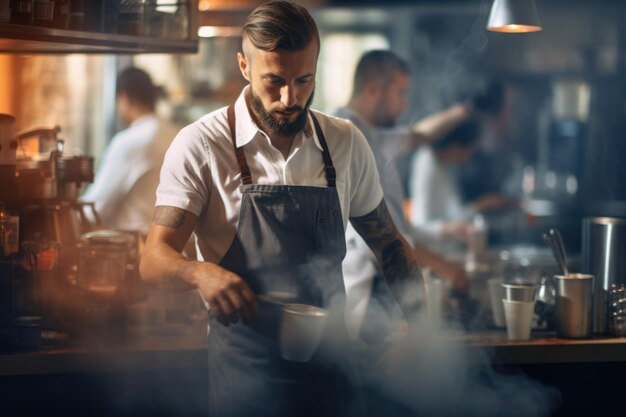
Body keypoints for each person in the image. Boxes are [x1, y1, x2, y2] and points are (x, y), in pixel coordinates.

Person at [139, 2, 424, 417]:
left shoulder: (345, 142)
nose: (291, 98)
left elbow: (390, 246)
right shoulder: (201, 144)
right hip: (246, 378)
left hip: (334, 381)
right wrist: (200, 272)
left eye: (304, 80)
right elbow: (153, 258)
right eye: (274, 81)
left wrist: (423, 331)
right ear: (244, 66)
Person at [334, 50, 469, 343]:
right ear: (372, 90)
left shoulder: (365, 131)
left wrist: (466, 109)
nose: (404, 103)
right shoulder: (351, 138)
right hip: (370, 296)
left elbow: (420, 134)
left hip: (378, 291)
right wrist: (447, 269)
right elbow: (390, 234)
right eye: (400, 93)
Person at [81, 67, 179, 234]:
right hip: (175, 245)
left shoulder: (128, 142)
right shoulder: (176, 134)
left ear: (123, 97)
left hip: (135, 249)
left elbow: (96, 208)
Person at [408, 115, 510, 253]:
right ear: (455, 146)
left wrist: (482, 205)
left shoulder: (444, 166)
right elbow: (422, 221)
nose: (469, 156)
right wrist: (479, 207)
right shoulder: (427, 162)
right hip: (432, 253)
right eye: (470, 150)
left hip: (446, 251)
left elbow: (454, 215)